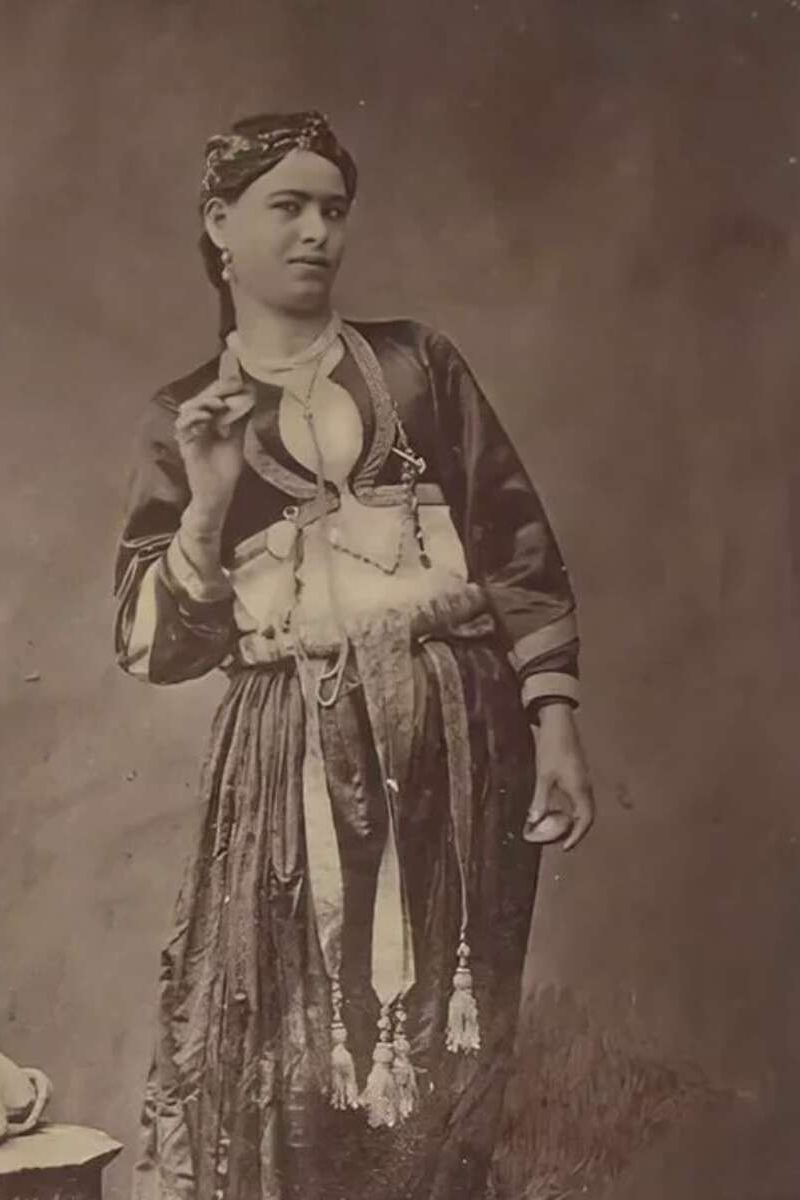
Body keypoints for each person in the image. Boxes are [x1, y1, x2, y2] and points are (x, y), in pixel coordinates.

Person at [113, 111, 595, 1200]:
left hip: (458, 736)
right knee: (289, 1042)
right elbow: (152, 646)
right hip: (290, 759)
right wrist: (211, 496)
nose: (317, 232)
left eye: (333, 209)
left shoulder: (420, 365)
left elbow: (518, 548)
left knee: (449, 1032)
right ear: (220, 227)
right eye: (287, 206)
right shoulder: (185, 418)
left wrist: (553, 720)